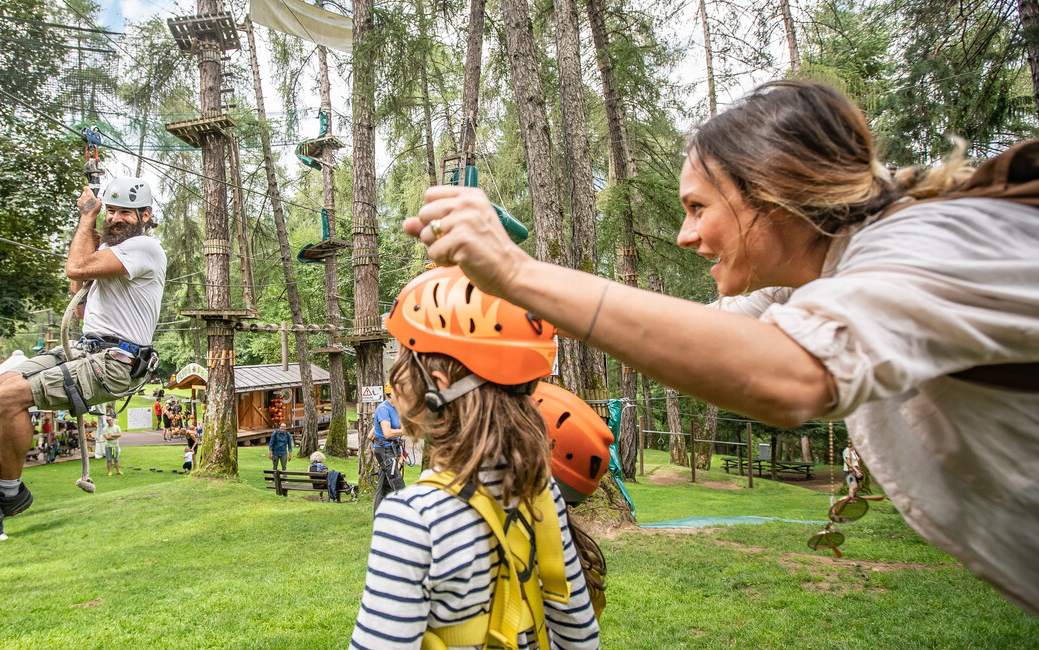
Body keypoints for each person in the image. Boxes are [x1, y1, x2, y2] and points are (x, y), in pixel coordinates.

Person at [405, 79, 1039, 614]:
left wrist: (517, 273)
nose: (685, 235)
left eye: (697, 207)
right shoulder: (824, 277)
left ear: (770, 189)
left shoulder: (923, 247)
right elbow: (699, 329)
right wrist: (505, 305)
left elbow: (790, 376)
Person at [349, 265, 599, 649]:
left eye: (404, 358)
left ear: (439, 384)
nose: (396, 375)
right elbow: (579, 638)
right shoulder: (540, 493)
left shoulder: (412, 518)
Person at [0, 176, 166, 543]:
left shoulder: (145, 248)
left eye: (124, 212)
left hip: (115, 362)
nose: (115, 218)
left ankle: (10, 492)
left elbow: (74, 269)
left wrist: (85, 219)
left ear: (145, 216)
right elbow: (79, 300)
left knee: (12, 397)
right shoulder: (113, 256)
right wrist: (92, 238)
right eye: (110, 211)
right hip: (87, 347)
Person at [370, 384, 404, 512]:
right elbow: (388, 433)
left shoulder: (395, 408)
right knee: (398, 485)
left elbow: (397, 428)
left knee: (383, 488)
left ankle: (379, 520)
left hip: (393, 449)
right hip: (384, 450)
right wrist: (404, 430)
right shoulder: (383, 408)